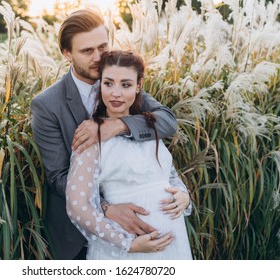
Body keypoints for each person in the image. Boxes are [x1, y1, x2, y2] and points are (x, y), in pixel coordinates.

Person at [30, 9, 190, 260]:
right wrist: (106, 208)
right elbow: (57, 176)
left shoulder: (122, 82)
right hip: (79, 236)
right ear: (66, 53)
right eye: (86, 51)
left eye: (102, 46)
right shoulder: (47, 104)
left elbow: (167, 122)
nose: (98, 57)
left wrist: (116, 126)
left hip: (159, 235)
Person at [66, 50, 192, 259]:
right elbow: (78, 206)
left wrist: (183, 195)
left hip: (173, 244)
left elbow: (168, 175)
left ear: (138, 86)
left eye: (126, 85)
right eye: (108, 83)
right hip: (125, 250)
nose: (116, 93)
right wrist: (128, 244)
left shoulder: (149, 126)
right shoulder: (91, 135)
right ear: (100, 85)